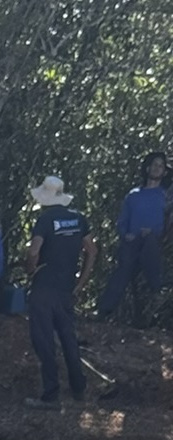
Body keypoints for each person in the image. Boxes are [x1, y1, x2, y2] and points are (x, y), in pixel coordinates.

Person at [24, 175, 95, 408]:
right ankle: (78, 390)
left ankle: (51, 394)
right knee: (68, 339)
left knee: (44, 340)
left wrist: (31, 269)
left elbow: (34, 251)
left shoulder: (44, 220)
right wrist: (81, 282)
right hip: (66, 289)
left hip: (43, 288)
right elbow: (91, 250)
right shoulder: (78, 219)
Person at [97, 152, 169, 318]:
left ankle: (158, 290)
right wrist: (125, 234)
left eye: (161, 166)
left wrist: (156, 233)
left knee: (150, 248)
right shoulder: (134, 195)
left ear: (165, 172)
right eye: (155, 164)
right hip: (132, 240)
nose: (157, 168)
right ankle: (104, 310)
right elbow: (123, 220)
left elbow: (168, 223)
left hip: (154, 241)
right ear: (147, 168)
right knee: (123, 269)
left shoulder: (166, 196)